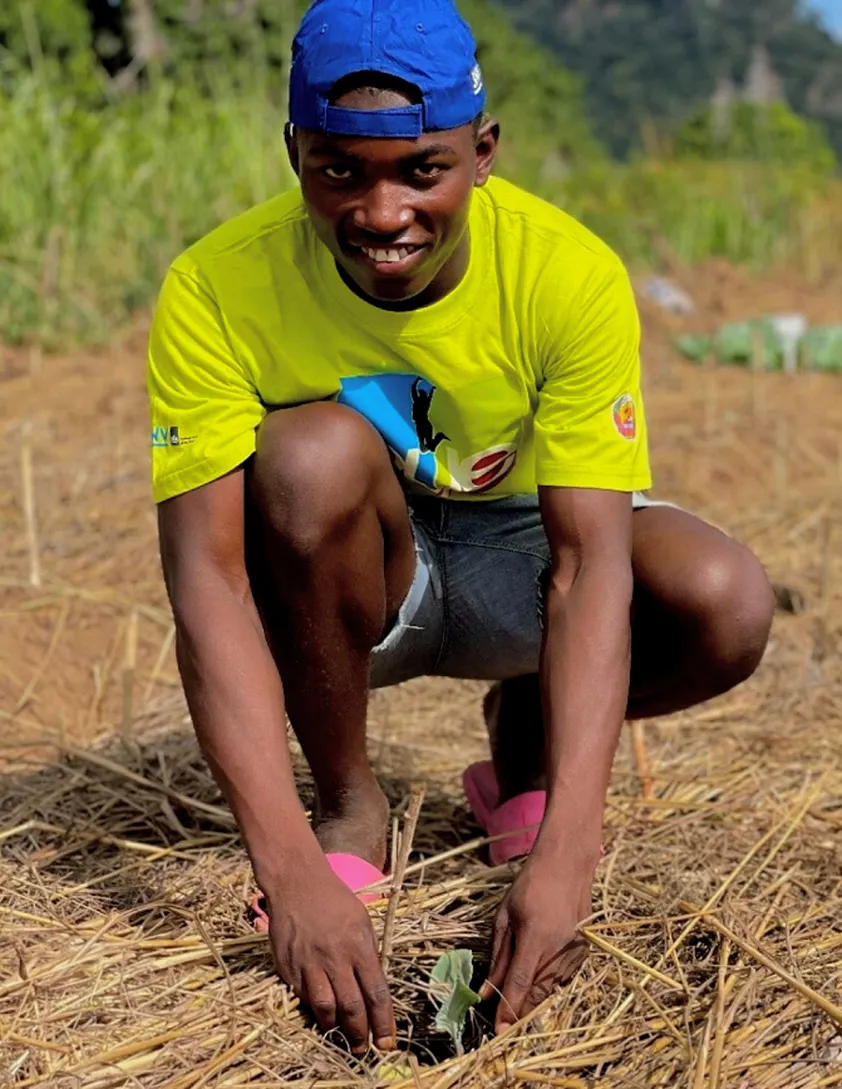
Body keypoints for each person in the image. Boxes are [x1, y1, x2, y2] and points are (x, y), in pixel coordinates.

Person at [146, 0, 775, 1054]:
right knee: (308, 459)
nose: (381, 211)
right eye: (338, 170)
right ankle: (350, 802)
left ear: (482, 156)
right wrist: (289, 866)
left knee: (726, 602)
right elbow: (205, 581)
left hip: (515, 549)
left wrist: (569, 855)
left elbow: (588, 566)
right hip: (349, 574)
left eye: (421, 171)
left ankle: (520, 746)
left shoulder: (565, 274)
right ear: (293, 151)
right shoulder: (217, 287)